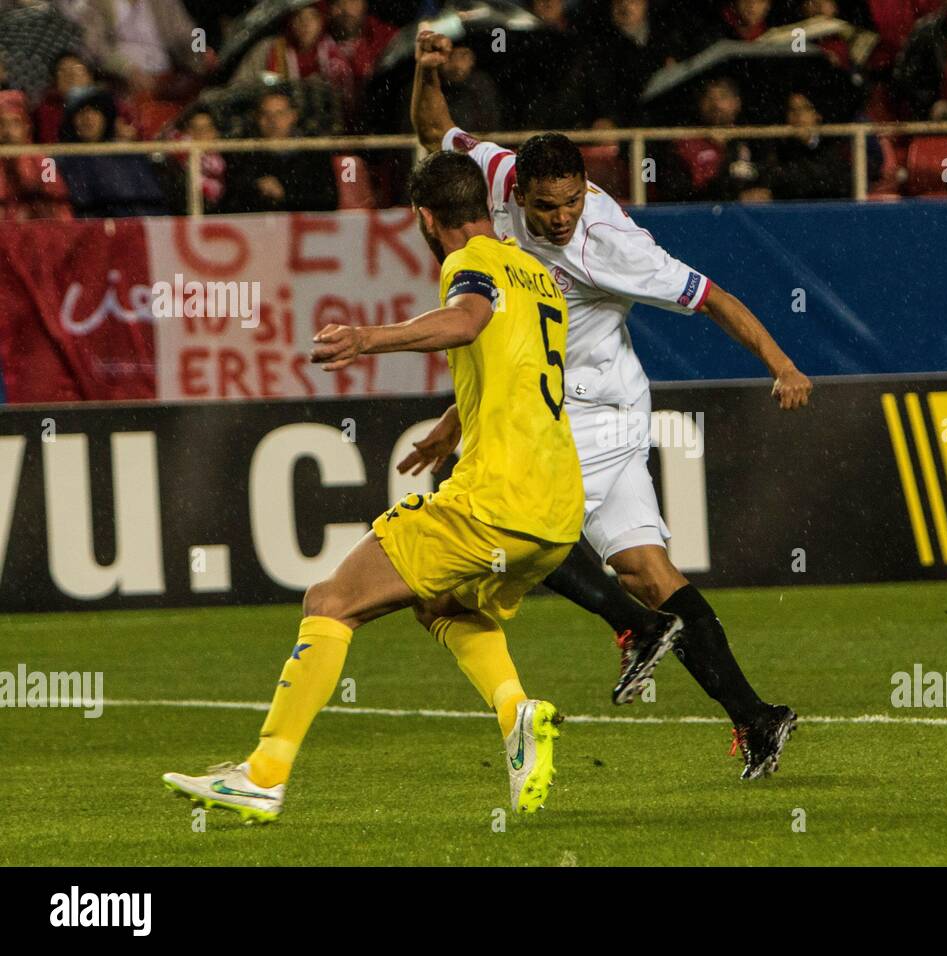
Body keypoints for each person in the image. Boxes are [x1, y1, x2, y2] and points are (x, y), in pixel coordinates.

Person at [411, 30, 813, 780]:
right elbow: (434, 130)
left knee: (510, 533)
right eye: (546, 208)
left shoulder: (611, 245)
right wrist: (425, 68)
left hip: (584, 414)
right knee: (650, 572)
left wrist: (781, 363)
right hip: (585, 402)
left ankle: (635, 631)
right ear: (517, 191)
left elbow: (714, 299)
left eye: (570, 205)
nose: (559, 220)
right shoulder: (495, 171)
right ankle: (757, 718)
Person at [163, 151, 586, 822]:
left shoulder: (468, 262)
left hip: (495, 500)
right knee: (440, 601)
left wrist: (365, 338)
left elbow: (468, 320)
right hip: (559, 511)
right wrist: (454, 422)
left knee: (330, 600)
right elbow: (524, 363)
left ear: (424, 217)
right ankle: (517, 714)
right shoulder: (536, 272)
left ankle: (264, 773)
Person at [220, 89, 338, 214]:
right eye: (266, 114)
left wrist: (286, 194)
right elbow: (231, 201)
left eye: (279, 113)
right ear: (257, 118)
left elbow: (328, 200)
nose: (272, 121)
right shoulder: (243, 154)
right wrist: (256, 189)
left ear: (293, 116)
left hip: (303, 228)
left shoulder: (314, 152)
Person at [57, 85, 166, 217]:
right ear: (71, 120)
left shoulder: (130, 155)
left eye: (95, 111)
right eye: (81, 112)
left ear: (105, 118)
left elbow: (152, 205)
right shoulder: (52, 160)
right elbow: (48, 200)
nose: (88, 118)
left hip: (133, 230)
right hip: (82, 232)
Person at [659, 76, 771, 202]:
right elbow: (676, 194)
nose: (716, 104)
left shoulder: (755, 140)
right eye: (709, 97)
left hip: (752, 219)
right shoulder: (685, 143)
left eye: (723, 96)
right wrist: (734, 199)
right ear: (700, 104)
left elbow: (770, 182)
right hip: (704, 217)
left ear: (737, 103)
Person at [0, 89, 71, 220]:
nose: (7, 131)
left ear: (26, 126)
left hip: (37, 230)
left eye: (15, 123)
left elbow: (58, 203)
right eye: (1, 124)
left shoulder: (45, 160)